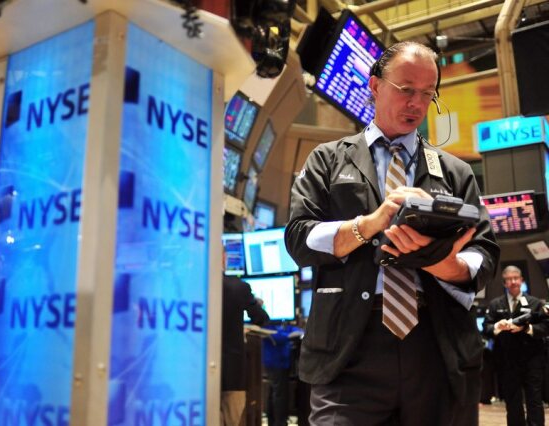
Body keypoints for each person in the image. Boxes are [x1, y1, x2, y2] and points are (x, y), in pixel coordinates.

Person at [284, 41, 500, 425]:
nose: (416, 103)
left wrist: (442, 263)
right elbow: (299, 238)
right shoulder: (328, 159)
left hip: (437, 347)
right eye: (406, 89)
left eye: (427, 93)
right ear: (375, 85)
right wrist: (370, 224)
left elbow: (483, 253)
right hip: (348, 349)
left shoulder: (456, 172)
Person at [482, 265, 549, 426]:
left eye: (515, 278)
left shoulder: (535, 303)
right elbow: (486, 328)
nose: (513, 282)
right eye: (509, 279)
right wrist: (498, 327)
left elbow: (545, 328)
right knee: (512, 400)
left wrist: (526, 328)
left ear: (521, 280)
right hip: (507, 360)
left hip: (532, 359)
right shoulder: (495, 304)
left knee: (534, 399)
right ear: (504, 283)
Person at [221, 268, 269, 426]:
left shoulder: (192, 288)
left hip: (198, 374)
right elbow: (261, 318)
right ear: (223, 258)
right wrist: (256, 303)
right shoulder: (239, 287)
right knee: (232, 419)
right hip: (231, 373)